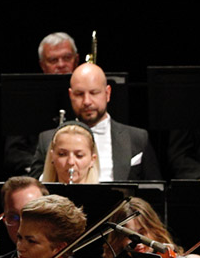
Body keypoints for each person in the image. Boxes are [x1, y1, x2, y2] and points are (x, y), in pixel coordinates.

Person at [28, 63, 160, 180]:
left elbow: (155, 189)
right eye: (79, 94)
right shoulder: (48, 139)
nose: (87, 101)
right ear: (70, 95)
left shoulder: (137, 138)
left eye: (94, 93)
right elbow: (34, 190)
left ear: (107, 93)